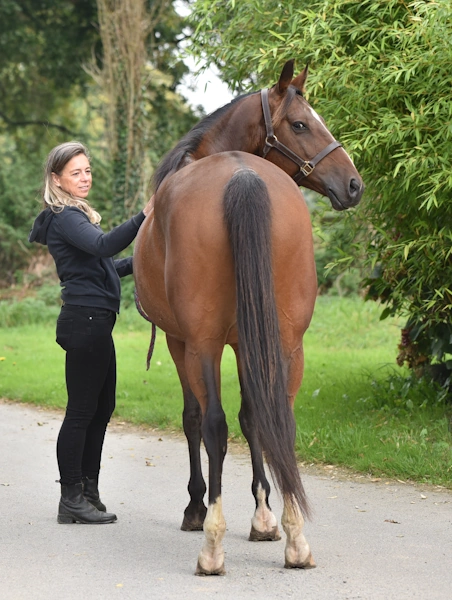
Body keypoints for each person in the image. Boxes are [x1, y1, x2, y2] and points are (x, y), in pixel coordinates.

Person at [29, 141, 154, 524]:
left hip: (94, 322)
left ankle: (88, 489)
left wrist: (147, 259)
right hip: (85, 322)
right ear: (57, 179)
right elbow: (102, 247)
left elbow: (104, 267)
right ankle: (71, 498)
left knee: (101, 408)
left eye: (87, 170)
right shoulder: (65, 217)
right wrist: (144, 216)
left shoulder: (74, 215)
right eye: (76, 172)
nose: (85, 178)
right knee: (82, 411)